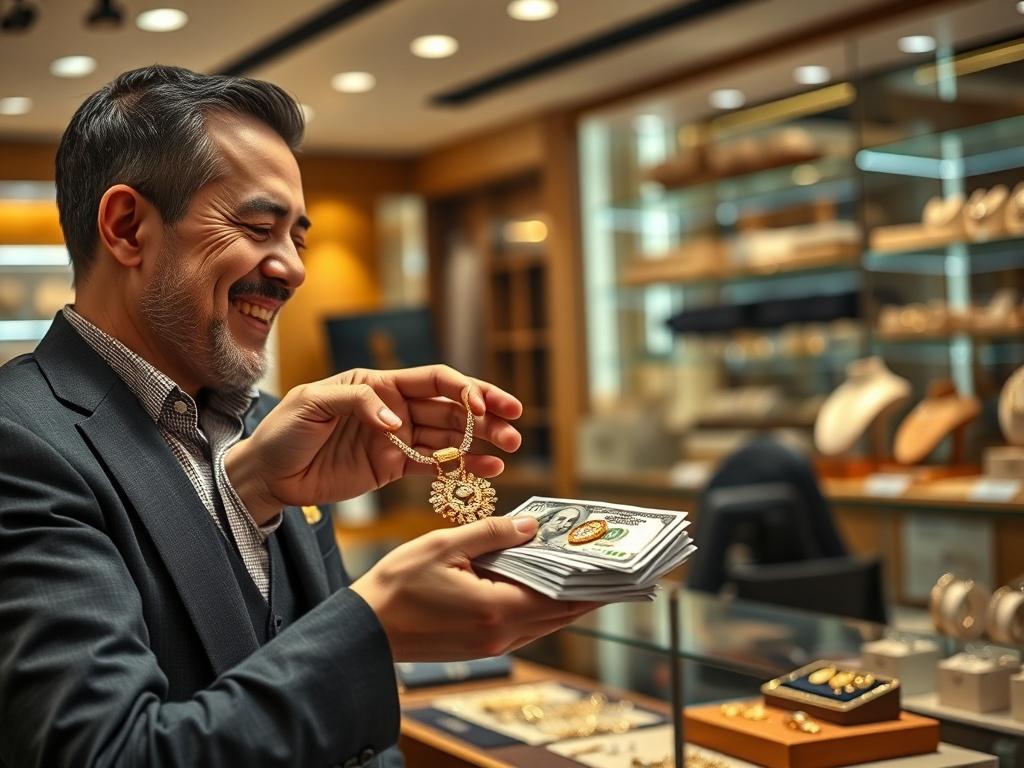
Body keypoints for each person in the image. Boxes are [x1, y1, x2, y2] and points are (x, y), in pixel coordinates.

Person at [0, 65, 598, 768]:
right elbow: (110, 755)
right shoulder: (22, 442)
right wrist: (373, 624)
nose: (292, 268)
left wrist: (244, 497)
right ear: (128, 228)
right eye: (258, 226)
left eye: (299, 237)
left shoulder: (270, 429)